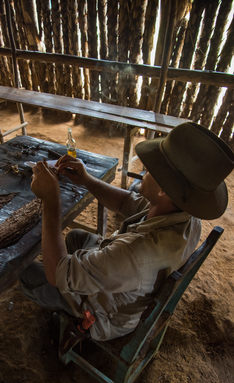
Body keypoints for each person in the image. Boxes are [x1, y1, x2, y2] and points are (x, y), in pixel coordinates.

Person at [19, 122, 234, 341]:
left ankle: (72, 318)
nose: (142, 173)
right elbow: (126, 203)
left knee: (27, 274)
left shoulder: (136, 252)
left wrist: (50, 199)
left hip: (108, 315)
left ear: (162, 190)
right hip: (131, 287)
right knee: (75, 237)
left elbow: (56, 274)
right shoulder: (184, 213)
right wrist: (86, 179)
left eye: (148, 171)